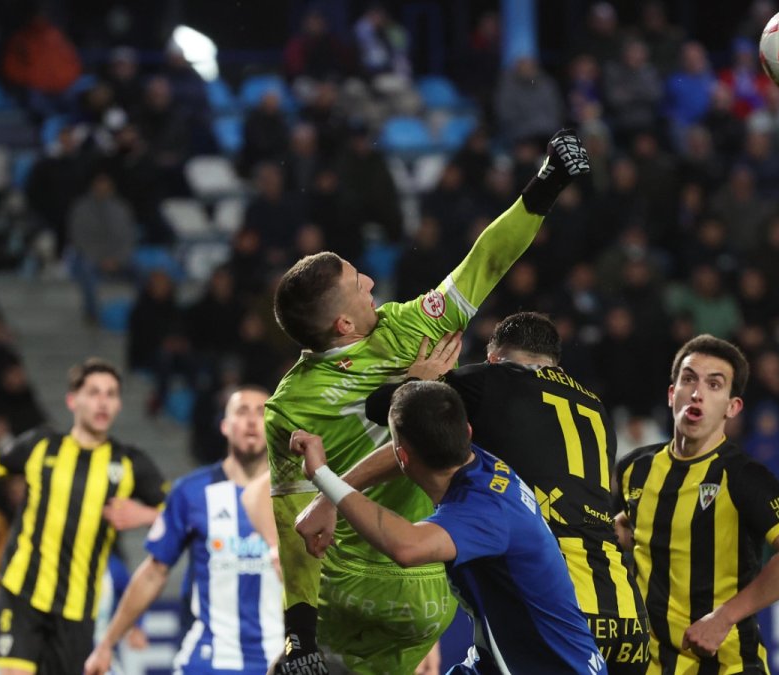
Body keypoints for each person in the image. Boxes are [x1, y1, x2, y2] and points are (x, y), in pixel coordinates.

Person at [266, 130, 591, 674]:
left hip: (353, 583)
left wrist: (299, 636)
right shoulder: (410, 329)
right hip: (434, 573)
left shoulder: (287, 407)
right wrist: (547, 183)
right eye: (357, 283)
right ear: (344, 324)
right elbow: (485, 261)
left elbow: (291, 524)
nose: (371, 279)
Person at [349, 312, 649, 671]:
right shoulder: (596, 408)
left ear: (494, 357)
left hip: (555, 612)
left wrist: (418, 380)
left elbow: (388, 412)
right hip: (627, 615)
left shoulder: (491, 380)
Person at [291, 381, 608, 674]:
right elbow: (405, 449)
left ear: (404, 455)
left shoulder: (483, 510)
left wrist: (322, 475)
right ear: (466, 430)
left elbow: (407, 546)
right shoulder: (476, 462)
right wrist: (327, 501)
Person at [0, 358, 167, 675]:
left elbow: (180, 511)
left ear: (119, 404)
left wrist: (147, 513)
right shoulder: (40, 445)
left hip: (79, 609)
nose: (103, 402)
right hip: (22, 593)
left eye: (111, 394)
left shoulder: (129, 463)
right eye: (94, 392)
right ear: (72, 400)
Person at [616, 335, 779, 673]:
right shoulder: (634, 469)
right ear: (672, 395)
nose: (697, 392)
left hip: (729, 665)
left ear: (732, 406)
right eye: (688, 379)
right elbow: (628, 526)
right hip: (649, 666)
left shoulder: (744, 475)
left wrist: (725, 617)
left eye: (715, 384)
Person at [84, 387, 283, 675]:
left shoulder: (295, 495)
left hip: (278, 661)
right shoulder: (191, 492)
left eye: (261, 412)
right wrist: (106, 645)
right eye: (242, 411)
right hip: (206, 661)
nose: (252, 420)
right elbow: (153, 573)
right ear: (225, 426)